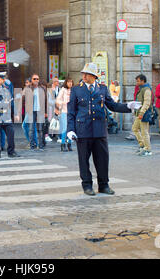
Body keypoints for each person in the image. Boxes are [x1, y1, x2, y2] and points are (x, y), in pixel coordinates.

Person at [67, 63, 138, 196]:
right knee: (83, 159)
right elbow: (71, 111)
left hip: (99, 129)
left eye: (86, 74)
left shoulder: (102, 89)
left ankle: (103, 185)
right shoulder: (77, 90)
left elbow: (112, 105)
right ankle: (87, 185)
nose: (83, 76)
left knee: (102, 159)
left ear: (94, 76)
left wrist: (128, 106)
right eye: (83, 73)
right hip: (83, 130)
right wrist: (70, 129)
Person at [0, 75, 19, 158]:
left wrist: (15, 113)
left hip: (6, 116)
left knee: (11, 133)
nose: (4, 80)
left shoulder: (6, 89)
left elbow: (11, 102)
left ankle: (11, 152)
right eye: (3, 79)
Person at [24, 73, 47, 151]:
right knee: (31, 129)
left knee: (40, 129)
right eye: (34, 79)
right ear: (31, 80)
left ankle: (40, 145)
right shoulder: (28, 88)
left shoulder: (43, 88)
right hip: (31, 111)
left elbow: (46, 100)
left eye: (37, 79)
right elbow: (23, 98)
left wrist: (46, 111)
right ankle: (32, 145)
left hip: (40, 111)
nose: (36, 80)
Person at [132, 74, 152, 156]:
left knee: (144, 132)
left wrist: (142, 112)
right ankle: (142, 145)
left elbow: (147, 103)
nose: (137, 82)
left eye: (138, 81)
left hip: (143, 113)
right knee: (135, 128)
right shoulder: (141, 89)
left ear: (143, 81)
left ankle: (147, 149)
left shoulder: (146, 90)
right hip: (139, 113)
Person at [55, 78, 74, 152]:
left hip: (71, 112)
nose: (70, 83)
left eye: (71, 82)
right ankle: (63, 144)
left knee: (71, 129)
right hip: (64, 111)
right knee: (65, 128)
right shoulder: (63, 90)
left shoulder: (73, 90)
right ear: (66, 83)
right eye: (69, 82)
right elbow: (57, 100)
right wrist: (64, 102)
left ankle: (69, 144)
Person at [20, 78, 37, 147]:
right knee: (32, 127)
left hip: (31, 110)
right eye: (25, 83)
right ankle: (34, 142)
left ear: (30, 83)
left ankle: (32, 142)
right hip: (29, 110)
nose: (26, 84)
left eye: (27, 82)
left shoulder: (31, 90)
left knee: (25, 126)